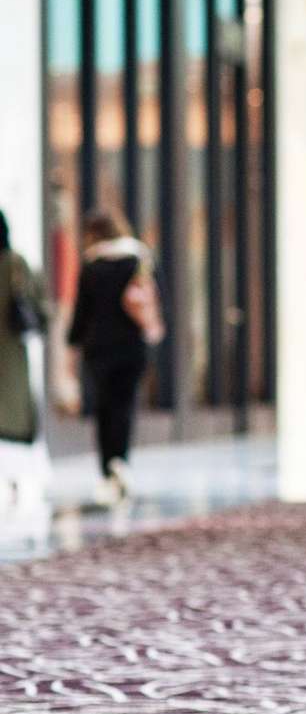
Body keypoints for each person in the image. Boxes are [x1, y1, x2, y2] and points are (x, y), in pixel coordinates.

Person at [66, 208, 159, 507]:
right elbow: (157, 299)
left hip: (99, 348)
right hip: (132, 346)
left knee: (104, 407)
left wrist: (71, 344)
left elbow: (81, 313)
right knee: (124, 404)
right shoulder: (139, 259)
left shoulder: (92, 265)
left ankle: (108, 468)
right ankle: (121, 460)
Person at [0, 211, 50, 494]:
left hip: (9, 354)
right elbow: (40, 308)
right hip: (11, 355)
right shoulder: (16, 264)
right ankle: (12, 481)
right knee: (12, 418)